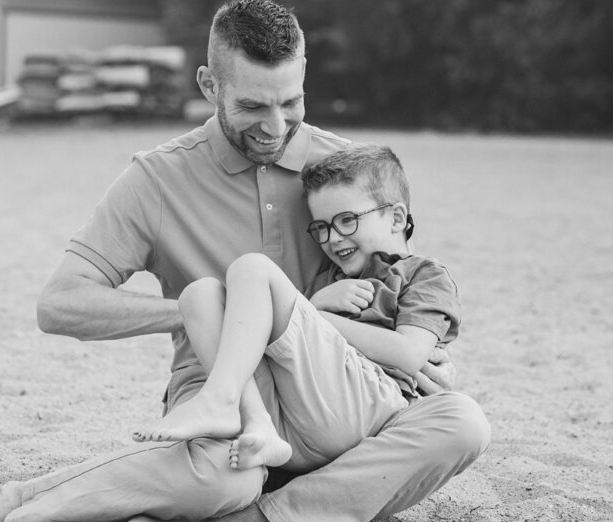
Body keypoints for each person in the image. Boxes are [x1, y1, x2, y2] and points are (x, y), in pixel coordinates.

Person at [0, 0, 489, 522]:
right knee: (224, 478)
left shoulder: (343, 172)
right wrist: (206, 311)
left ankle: (244, 520)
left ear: (305, 75)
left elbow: (402, 281)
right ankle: (13, 504)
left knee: (462, 422)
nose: (276, 124)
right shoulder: (157, 179)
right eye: (253, 107)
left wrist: (423, 347)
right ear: (209, 86)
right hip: (219, 388)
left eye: (291, 102)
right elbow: (60, 304)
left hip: (329, 386)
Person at [131, 144, 462, 485]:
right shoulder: (329, 280)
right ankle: (250, 417)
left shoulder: (424, 274)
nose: (333, 238)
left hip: (370, 411)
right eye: (321, 227)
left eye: (347, 221)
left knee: (252, 268)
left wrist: (318, 314)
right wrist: (315, 303)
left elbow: (408, 355)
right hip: (294, 426)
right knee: (198, 296)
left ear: (395, 217)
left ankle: (219, 400)